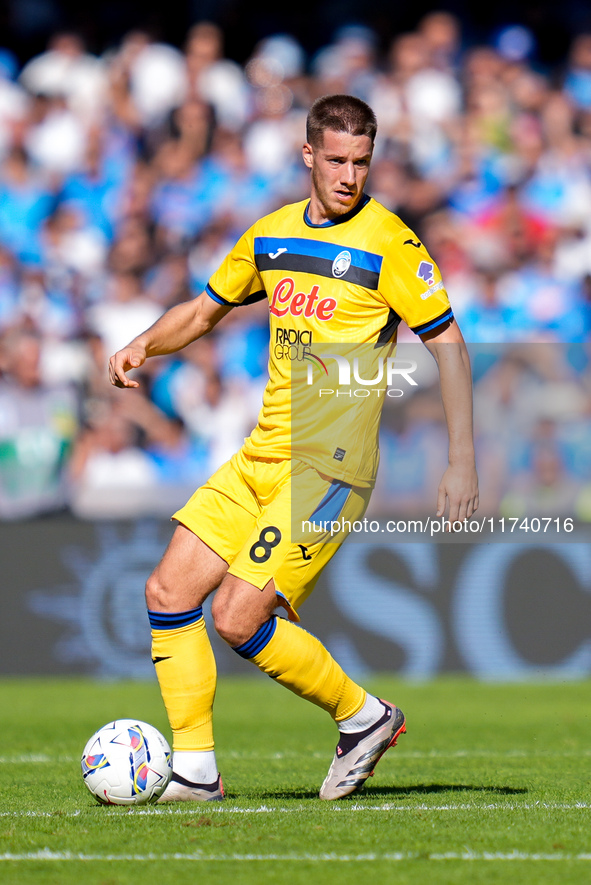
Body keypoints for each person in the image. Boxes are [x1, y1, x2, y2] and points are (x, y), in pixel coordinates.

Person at [109, 94, 479, 802]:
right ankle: (194, 771)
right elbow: (203, 307)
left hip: (329, 466)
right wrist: (144, 343)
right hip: (262, 453)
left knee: (236, 614)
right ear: (307, 154)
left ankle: (362, 715)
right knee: (167, 590)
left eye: (361, 163)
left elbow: (450, 346)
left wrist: (460, 458)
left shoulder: (391, 244)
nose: (349, 176)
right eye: (336, 160)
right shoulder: (272, 236)